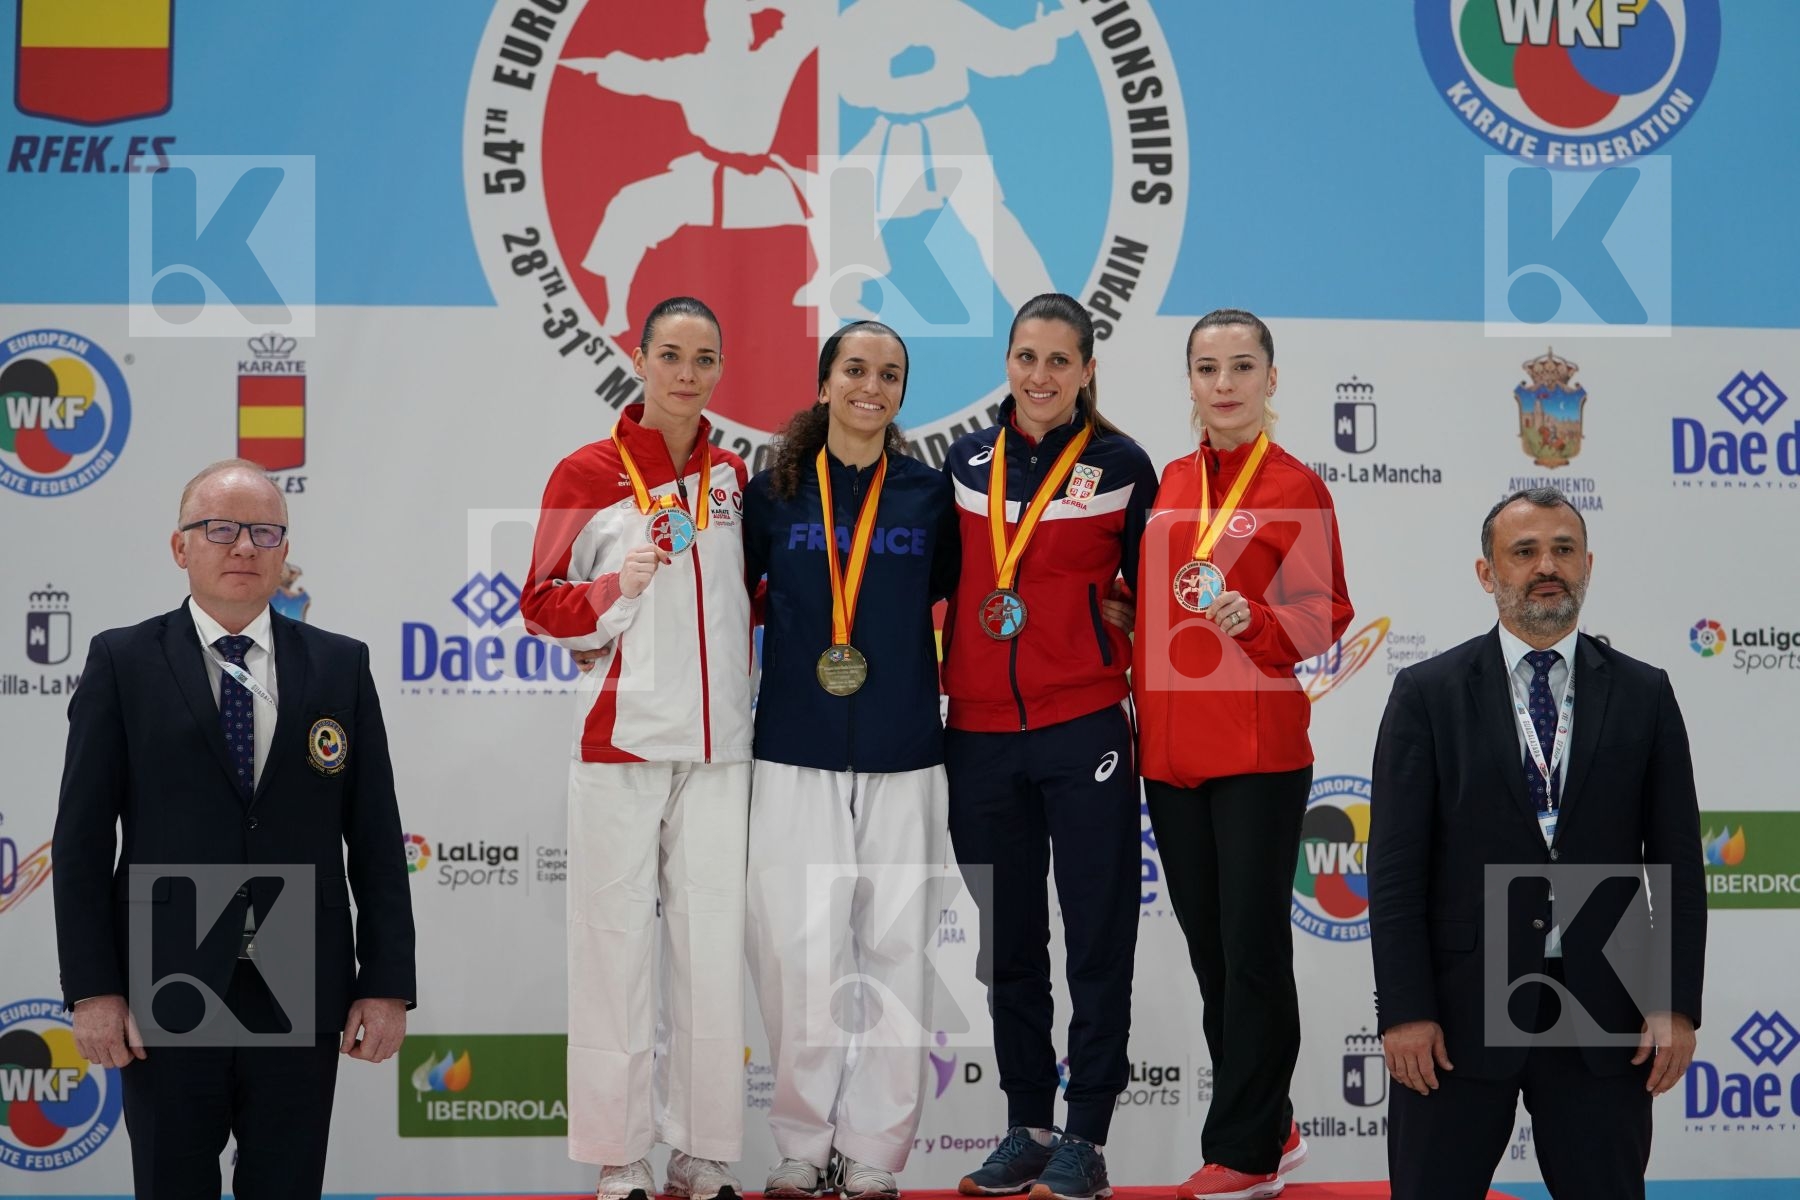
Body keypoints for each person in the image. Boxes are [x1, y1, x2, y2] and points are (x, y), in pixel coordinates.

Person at [52, 458, 416, 1200]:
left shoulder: (339, 665)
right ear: (180, 547)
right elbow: (82, 842)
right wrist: (93, 990)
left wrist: (385, 984)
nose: (244, 546)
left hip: (300, 973)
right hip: (164, 975)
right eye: (220, 530)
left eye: (264, 532)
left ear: (285, 551)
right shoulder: (123, 661)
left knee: (287, 1185)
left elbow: (377, 836)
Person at [1368, 487, 1706, 1200]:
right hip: (1457, 1016)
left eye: (1563, 550)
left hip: (1604, 1012)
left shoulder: (1645, 693)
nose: (1546, 566)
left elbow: (1676, 862)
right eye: (1524, 551)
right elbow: (1395, 870)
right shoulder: (1427, 693)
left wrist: (1673, 1003)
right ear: (1487, 573)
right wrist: (1405, 1009)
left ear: (1588, 565)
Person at [521, 296, 755, 1200]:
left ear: (720, 368)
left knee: (710, 953)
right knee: (613, 950)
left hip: (720, 749)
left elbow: (750, 597)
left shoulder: (733, 476)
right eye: (671, 355)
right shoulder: (586, 472)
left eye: (704, 358)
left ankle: (703, 1150)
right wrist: (613, 591)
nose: (687, 374)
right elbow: (539, 602)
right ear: (640, 359)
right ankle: (622, 1154)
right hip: (618, 743)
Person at [941, 293, 1156, 1200]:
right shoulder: (963, 462)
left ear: (1088, 370)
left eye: (1059, 360)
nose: (1040, 375)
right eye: (1026, 356)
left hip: (1084, 726)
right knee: (1011, 941)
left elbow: (1158, 594)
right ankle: (1027, 1126)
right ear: (1008, 360)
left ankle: (1087, 1136)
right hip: (980, 732)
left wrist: (1120, 621)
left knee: (1099, 931)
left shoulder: (1122, 465)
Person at [1132, 309, 1352, 1199]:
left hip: (1257, 750)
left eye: (1241, 366)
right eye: (1207, 368)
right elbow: (1157, 599)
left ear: (1270, 378)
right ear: (1189, 380)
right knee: (1213, 956)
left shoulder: (1297, 485)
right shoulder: (1172, 480)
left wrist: (1256, 620)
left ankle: (1247, 1152)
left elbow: (1325, 614)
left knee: (1253, 952)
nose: (1223, 384)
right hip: (1169, 751)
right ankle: (1273, 1121)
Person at [741, 321, 959, 1200]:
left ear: (902, 392)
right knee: (798, 953)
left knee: (899, 948)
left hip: (906, 748)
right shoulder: (772, 495)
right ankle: (802, 1141)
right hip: (794, 747)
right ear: (824, 382)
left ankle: (874, 1148)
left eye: (890, 374)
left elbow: (951, 593)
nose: (873, 386)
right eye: (857, 369)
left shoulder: (930, 496)